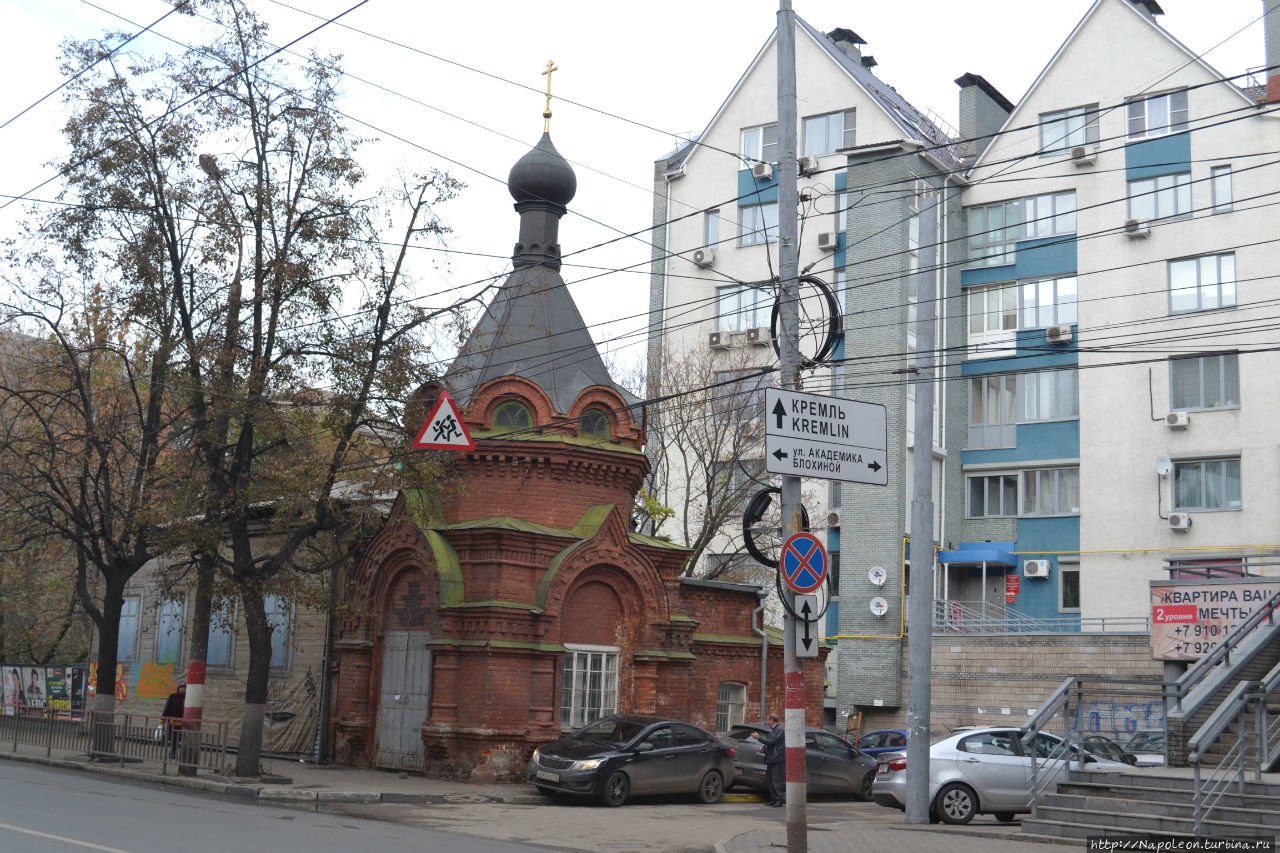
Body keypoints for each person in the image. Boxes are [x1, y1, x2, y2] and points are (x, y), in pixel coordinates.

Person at [751, 713, 786, 807]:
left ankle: (779, 800)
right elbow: (770, 744)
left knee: (776, 780)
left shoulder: (779, 730)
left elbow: (771, 742)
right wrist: (764, 748)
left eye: (767, 720)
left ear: (771, 720)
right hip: (771, 758)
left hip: (777, 759)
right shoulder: (773, 730)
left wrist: (758, 737)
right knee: (770, 780)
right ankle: (773, 799)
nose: (767, 722)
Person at [162, 681, 186, 758]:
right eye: (181, 688)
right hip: (172, 722)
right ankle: (172, 752)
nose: (183, 690)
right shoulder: (172, 696)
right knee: (173, 737)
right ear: (178, 688)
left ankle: (173, 752)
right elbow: (167, 708)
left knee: (178, 738)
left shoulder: (186, 698)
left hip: (181, 723)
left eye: (184, 688)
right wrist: (162, 720)